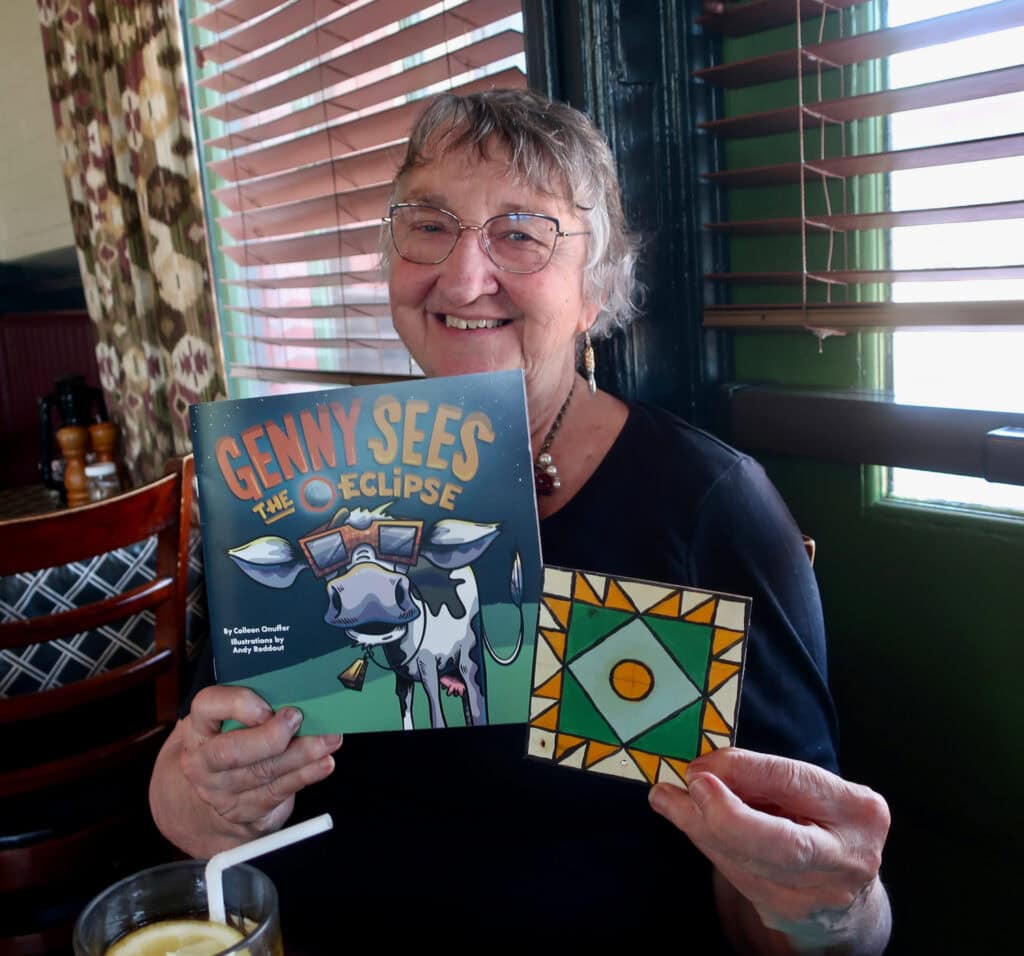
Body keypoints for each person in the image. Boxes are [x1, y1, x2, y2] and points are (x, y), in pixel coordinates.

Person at [150, 89, 891, 952]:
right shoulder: (315, 478)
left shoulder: (699, 507)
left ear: (597, 292)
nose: (464, 277)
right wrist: (199, 796)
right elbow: (197, 794)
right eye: (429, 223)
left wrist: (831, 912)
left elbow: (797, 894)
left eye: (522, 232)